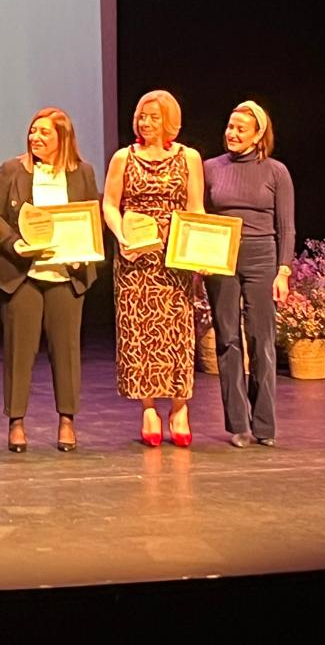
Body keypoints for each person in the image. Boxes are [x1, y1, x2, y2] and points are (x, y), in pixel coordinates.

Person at [0, 107, 99, 453]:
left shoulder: (82, 172)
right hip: (23, 275)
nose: (36, 138)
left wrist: (86, 250)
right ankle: (16, 422)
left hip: (66, 275)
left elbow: (89, 218)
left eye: (44, 133)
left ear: (62, 139)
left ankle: (67, 420)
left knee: (66, 351)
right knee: (19, 351)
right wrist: (14, 244)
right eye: (33, 131)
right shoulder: (13, 170)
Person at [102, 90, 205, 448]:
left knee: (177, 330)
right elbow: (110, 205)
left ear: (169, 121)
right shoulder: (123, 158)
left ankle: (179, 408)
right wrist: (121, 236)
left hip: (173, 258)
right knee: (139, 331)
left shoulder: (189, 158)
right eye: (142, 116)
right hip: (135, 259)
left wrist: (202, 255)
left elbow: (196, 208)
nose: (146, 123)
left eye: (154, 117)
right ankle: (147, 408)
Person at [203, 100, 295, 448]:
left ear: (258, 136)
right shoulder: (211, 168)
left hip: (262, 258)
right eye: (230, 126)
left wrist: (282, 271)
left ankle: (265, 424)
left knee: (262, 340)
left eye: (241, 129)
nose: (232, 133)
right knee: (227, 339)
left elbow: (286, 227)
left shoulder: (276, 172)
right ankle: (238, 423)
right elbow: (200, 216)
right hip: (221, 257)